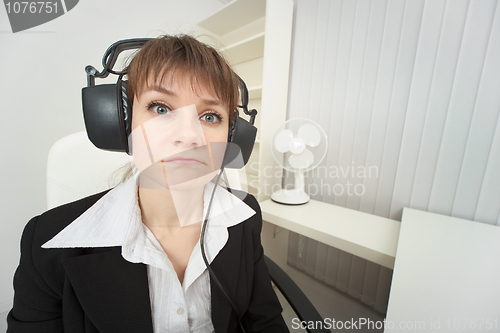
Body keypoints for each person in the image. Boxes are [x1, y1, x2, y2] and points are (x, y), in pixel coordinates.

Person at [7, 35, 289, 333]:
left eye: (210, 116)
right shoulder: (47, 243)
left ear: (231, 138)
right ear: (122, 123)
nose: (189, 136)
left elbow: (265, 321)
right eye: (161, 108)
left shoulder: (244, 213)